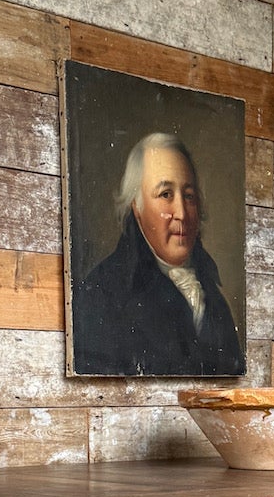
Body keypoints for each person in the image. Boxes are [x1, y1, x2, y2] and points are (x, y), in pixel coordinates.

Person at [70, 132, 245, 377]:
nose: (182, 213)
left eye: (189, 196)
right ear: (136, 206)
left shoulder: (213, 298)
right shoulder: (101, 294)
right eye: (165, 195)